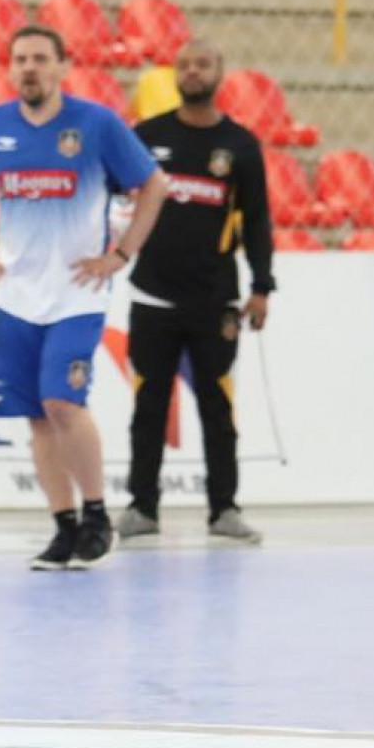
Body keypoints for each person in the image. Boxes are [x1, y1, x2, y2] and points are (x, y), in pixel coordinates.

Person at [0, 26, 169, 571]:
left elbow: (154, 185)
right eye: (20, 58)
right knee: (35, 415)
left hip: (79, 293)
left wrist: (121, 255)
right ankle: (62, 526)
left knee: (62, 401)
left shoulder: (96, 124)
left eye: (40, 59)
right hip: (18, 295)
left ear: (61, 66)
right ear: (10, 67)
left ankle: (96, 515)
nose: (29, 68)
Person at [123, 39, 273, 544]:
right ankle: (142, 507)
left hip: (216, 301)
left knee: (217, 407)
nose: (192, 71)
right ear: (174, 73)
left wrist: (261, 287)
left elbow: (257, 222)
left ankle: (224, 510)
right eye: (184, 63)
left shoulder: (242, 146)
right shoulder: (146, 137)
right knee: (149, 407)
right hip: (152, 297)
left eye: (203, 63)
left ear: (220, 73)